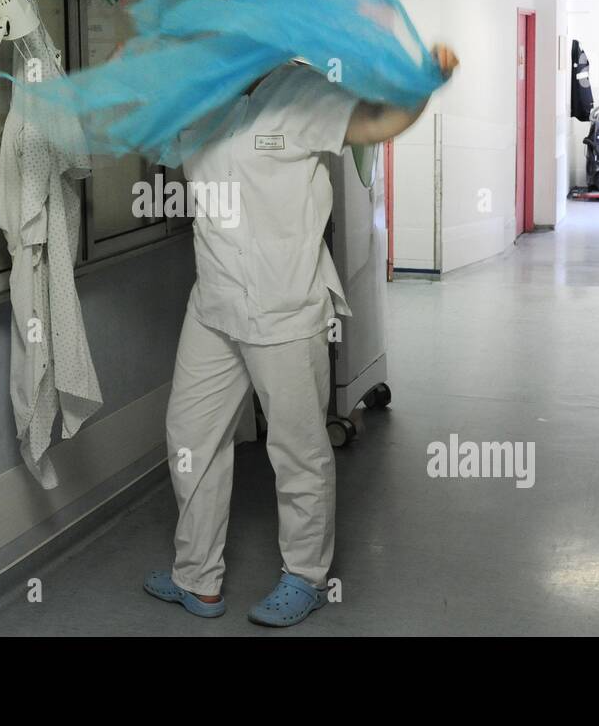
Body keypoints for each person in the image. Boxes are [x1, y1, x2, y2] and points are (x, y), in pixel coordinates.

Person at [143, 42, 459, 627]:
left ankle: (306, 576)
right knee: (190, 436)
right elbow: (146, 128)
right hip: (213, 302)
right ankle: (197, 576)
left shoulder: (306, 91)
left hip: (285, 304)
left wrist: (423, 86)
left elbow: (375, 121)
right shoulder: (200, 93)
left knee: (296, 447)